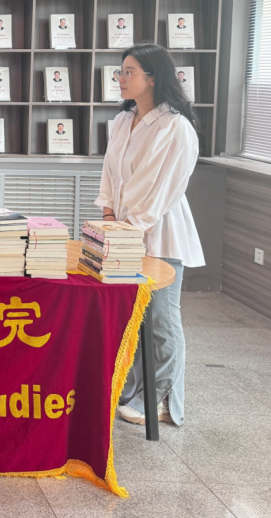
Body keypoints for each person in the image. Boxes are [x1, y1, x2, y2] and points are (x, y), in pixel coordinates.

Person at [97, 43, 203, 427]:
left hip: (160, 234)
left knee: (160, 319)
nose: (121, 78)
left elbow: (163, 188)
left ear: (153, 78)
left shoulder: (175, 127)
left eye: (129, 72)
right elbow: (111, 175)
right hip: (122, 232)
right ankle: (129, 392)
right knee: (130, 318)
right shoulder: (122, 121)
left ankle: (162, 401)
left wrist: (131, 228)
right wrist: (109, 215)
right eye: (120, 71)